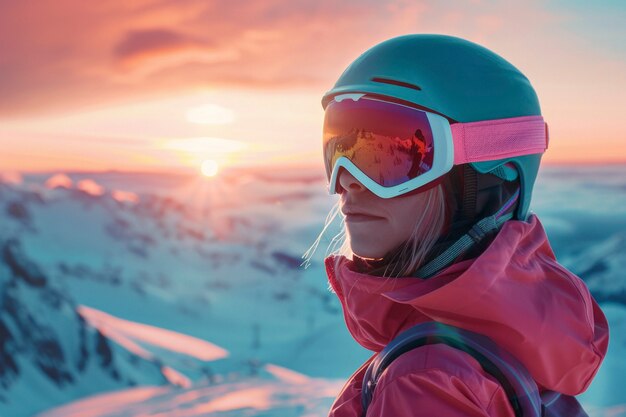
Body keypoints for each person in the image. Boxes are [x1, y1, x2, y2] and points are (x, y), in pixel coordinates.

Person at [317, 34, 609, 417]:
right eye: (339, 149)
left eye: (387, 154)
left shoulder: (425, 380)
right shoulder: (519, 341)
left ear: (482, 183)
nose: (348, 179)